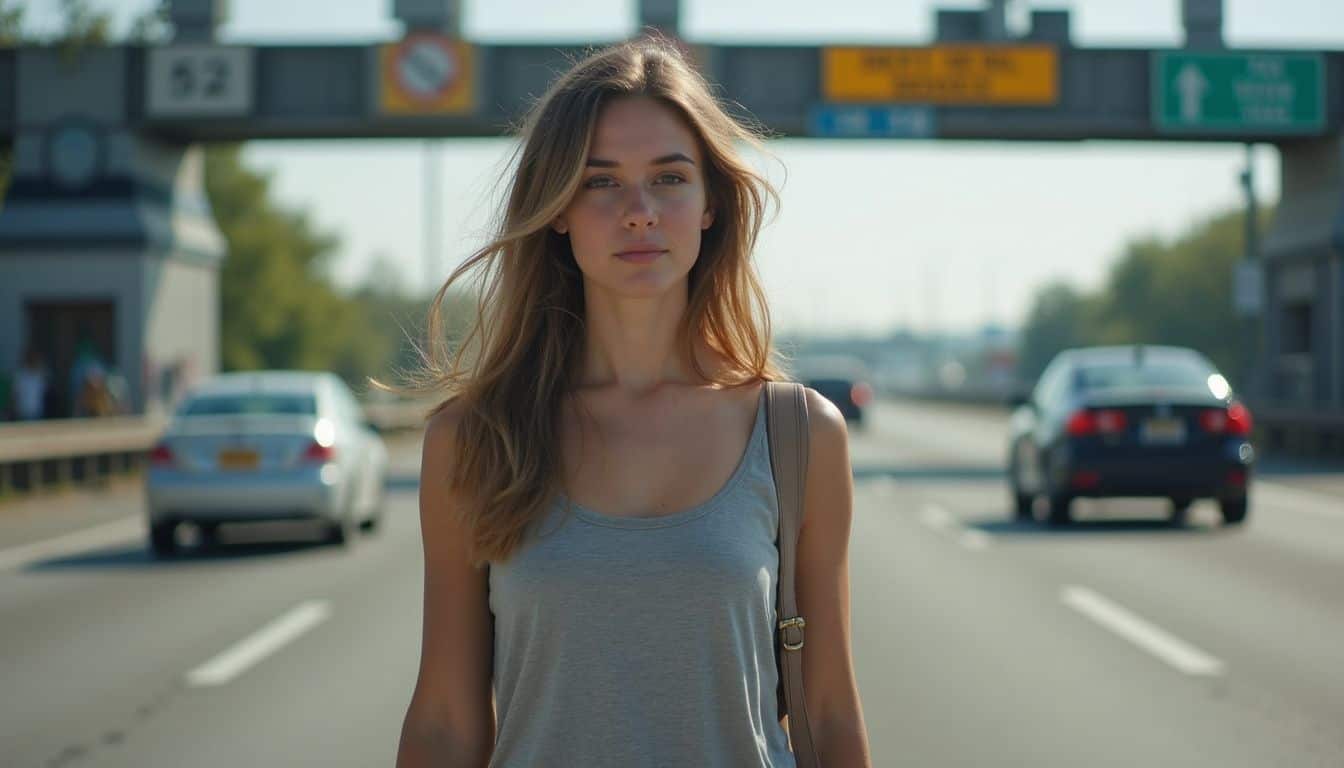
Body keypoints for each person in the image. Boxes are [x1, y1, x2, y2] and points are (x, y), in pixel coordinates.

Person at [391, 36, 871, 768]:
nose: (640, 211)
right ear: (556, 210)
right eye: (600, 183)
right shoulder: (475, 438)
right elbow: (445, 724)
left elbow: (831, 713)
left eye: (670, 178)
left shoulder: (799, 435)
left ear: (711, 204)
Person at [12, 347, 49, 421]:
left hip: (37, 412)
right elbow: (15, 394)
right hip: (22, 411)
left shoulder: (41, 374)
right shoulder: (21, 374)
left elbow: (46, 389)